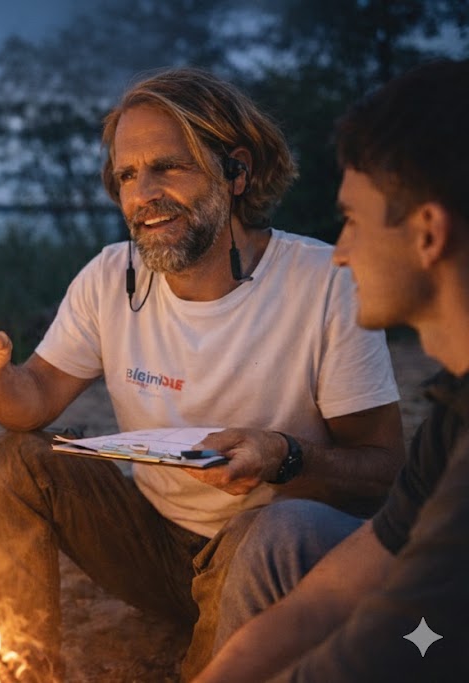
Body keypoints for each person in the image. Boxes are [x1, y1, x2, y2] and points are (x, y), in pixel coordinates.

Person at [0, 67, 405, 679]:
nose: (143, 194)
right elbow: (34, 400)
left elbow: (382, 473)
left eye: (168, 167)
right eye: (127, 175)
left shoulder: (323, 284)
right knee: (11, 460)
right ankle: (19, 669)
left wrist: (284, 455)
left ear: (236, 172)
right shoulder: (111, 277)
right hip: (156, 547)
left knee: (268, 528)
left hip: (268, 563)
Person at [194, 58, 469, 683]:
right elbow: (336, 591)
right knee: (283, 539)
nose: (340, 253)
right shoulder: (454, 411)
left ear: (428, 234)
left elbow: (372, 652)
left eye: (352, 221)